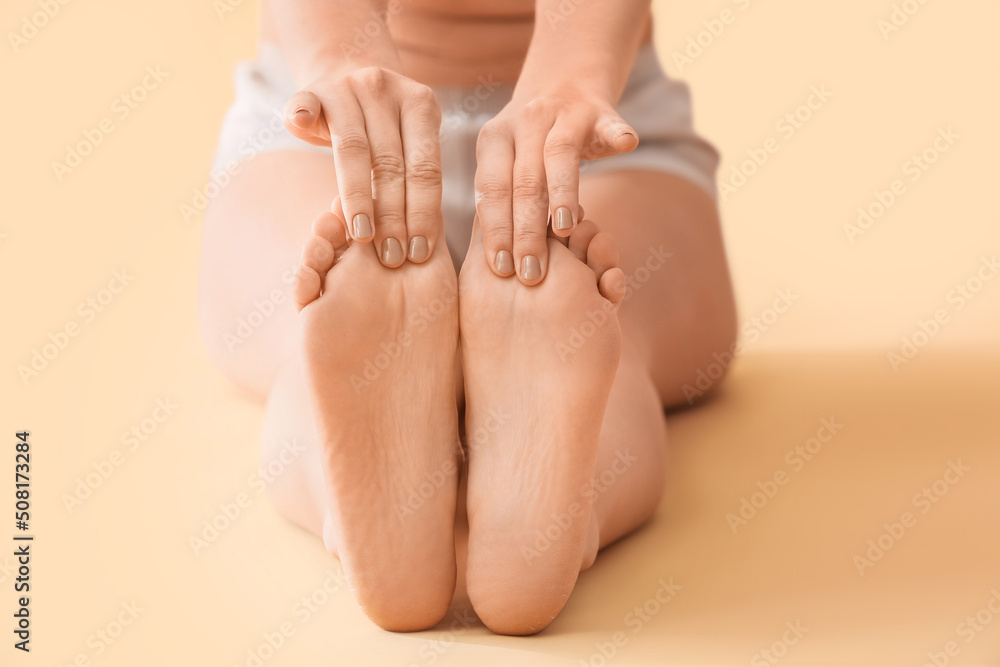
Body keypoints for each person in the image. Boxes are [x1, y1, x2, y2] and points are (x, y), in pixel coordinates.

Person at [199, 0, 737, 636]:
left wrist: (571, 80)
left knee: (303, 334)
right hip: (336, 127)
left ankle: (348, 505)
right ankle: (567, 511)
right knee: (615, 344)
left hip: (583, 125)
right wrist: (344, 61)